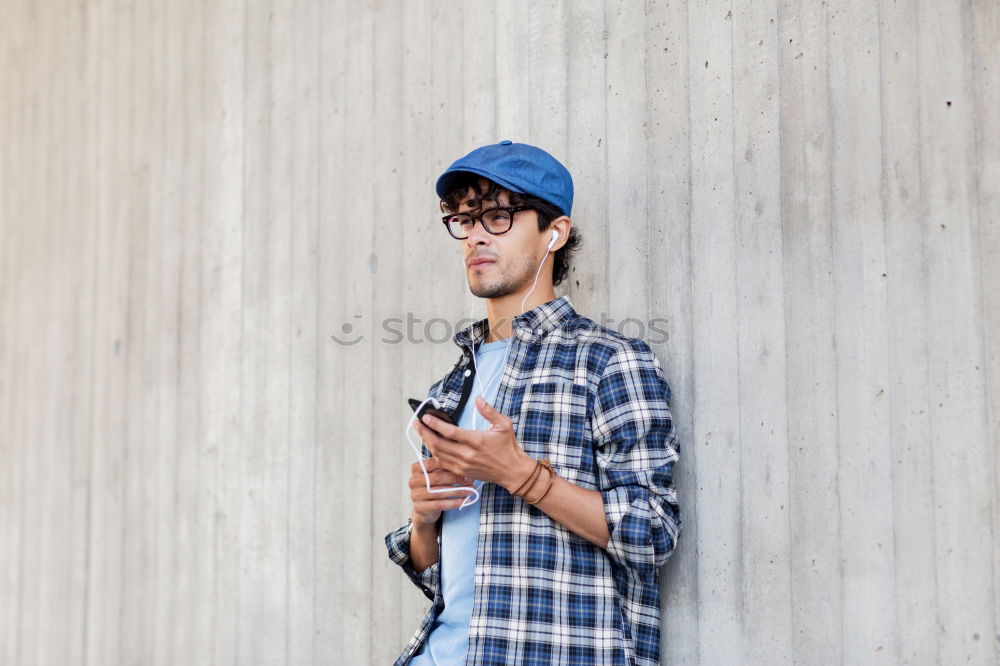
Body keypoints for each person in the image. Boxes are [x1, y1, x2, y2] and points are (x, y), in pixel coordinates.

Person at [385, 140, 682, 666]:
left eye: (498, 215)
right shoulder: (452, 384)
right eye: (462, 219)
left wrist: (522, 475)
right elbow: (441, 574)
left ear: (555, 232)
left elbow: (652, 533)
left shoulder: (610, 362)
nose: (474, 234)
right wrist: (423, 521)